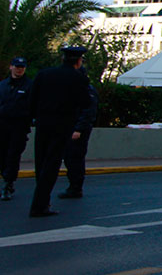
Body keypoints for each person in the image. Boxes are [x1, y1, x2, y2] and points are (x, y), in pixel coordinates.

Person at [27, 45, 91, 217]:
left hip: (43, 124)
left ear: (63, 58)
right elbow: (86, 102)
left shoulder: (44, 74)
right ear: (79, 61)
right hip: (62, 126)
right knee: (52, 164)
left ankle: (41, 202)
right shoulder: (78, 79)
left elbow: (31, 100)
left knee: (41, 162)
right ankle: (40, 204)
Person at [58, 78, 98, 199]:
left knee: (75, 158)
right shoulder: (76, 89)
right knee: (69, 158)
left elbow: (88, 112)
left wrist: (79, 129)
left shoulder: (87, 91)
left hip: (78, 129)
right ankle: (74, 186)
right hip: (72, 127)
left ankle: (76, 187)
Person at [1, 56, 33, 201]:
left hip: (19, 126)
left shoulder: (29, 86)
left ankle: (8, 183)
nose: (19, 70)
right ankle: (6, 177)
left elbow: (33, 106)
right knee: (2, 155)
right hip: (2, 126)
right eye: (17, 67)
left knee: (13, 156)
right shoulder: (3, 85)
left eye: (22, 67)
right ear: (11, 67)